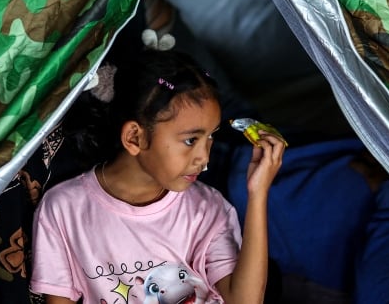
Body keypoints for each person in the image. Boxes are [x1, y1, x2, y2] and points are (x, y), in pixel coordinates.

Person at [30, 35, 286, 304]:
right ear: (135, 137)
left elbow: (245, 300)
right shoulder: (63, 210)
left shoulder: (208, 209)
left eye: (211, 136)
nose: (204, 158)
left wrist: (258, 194)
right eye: (191, 140)